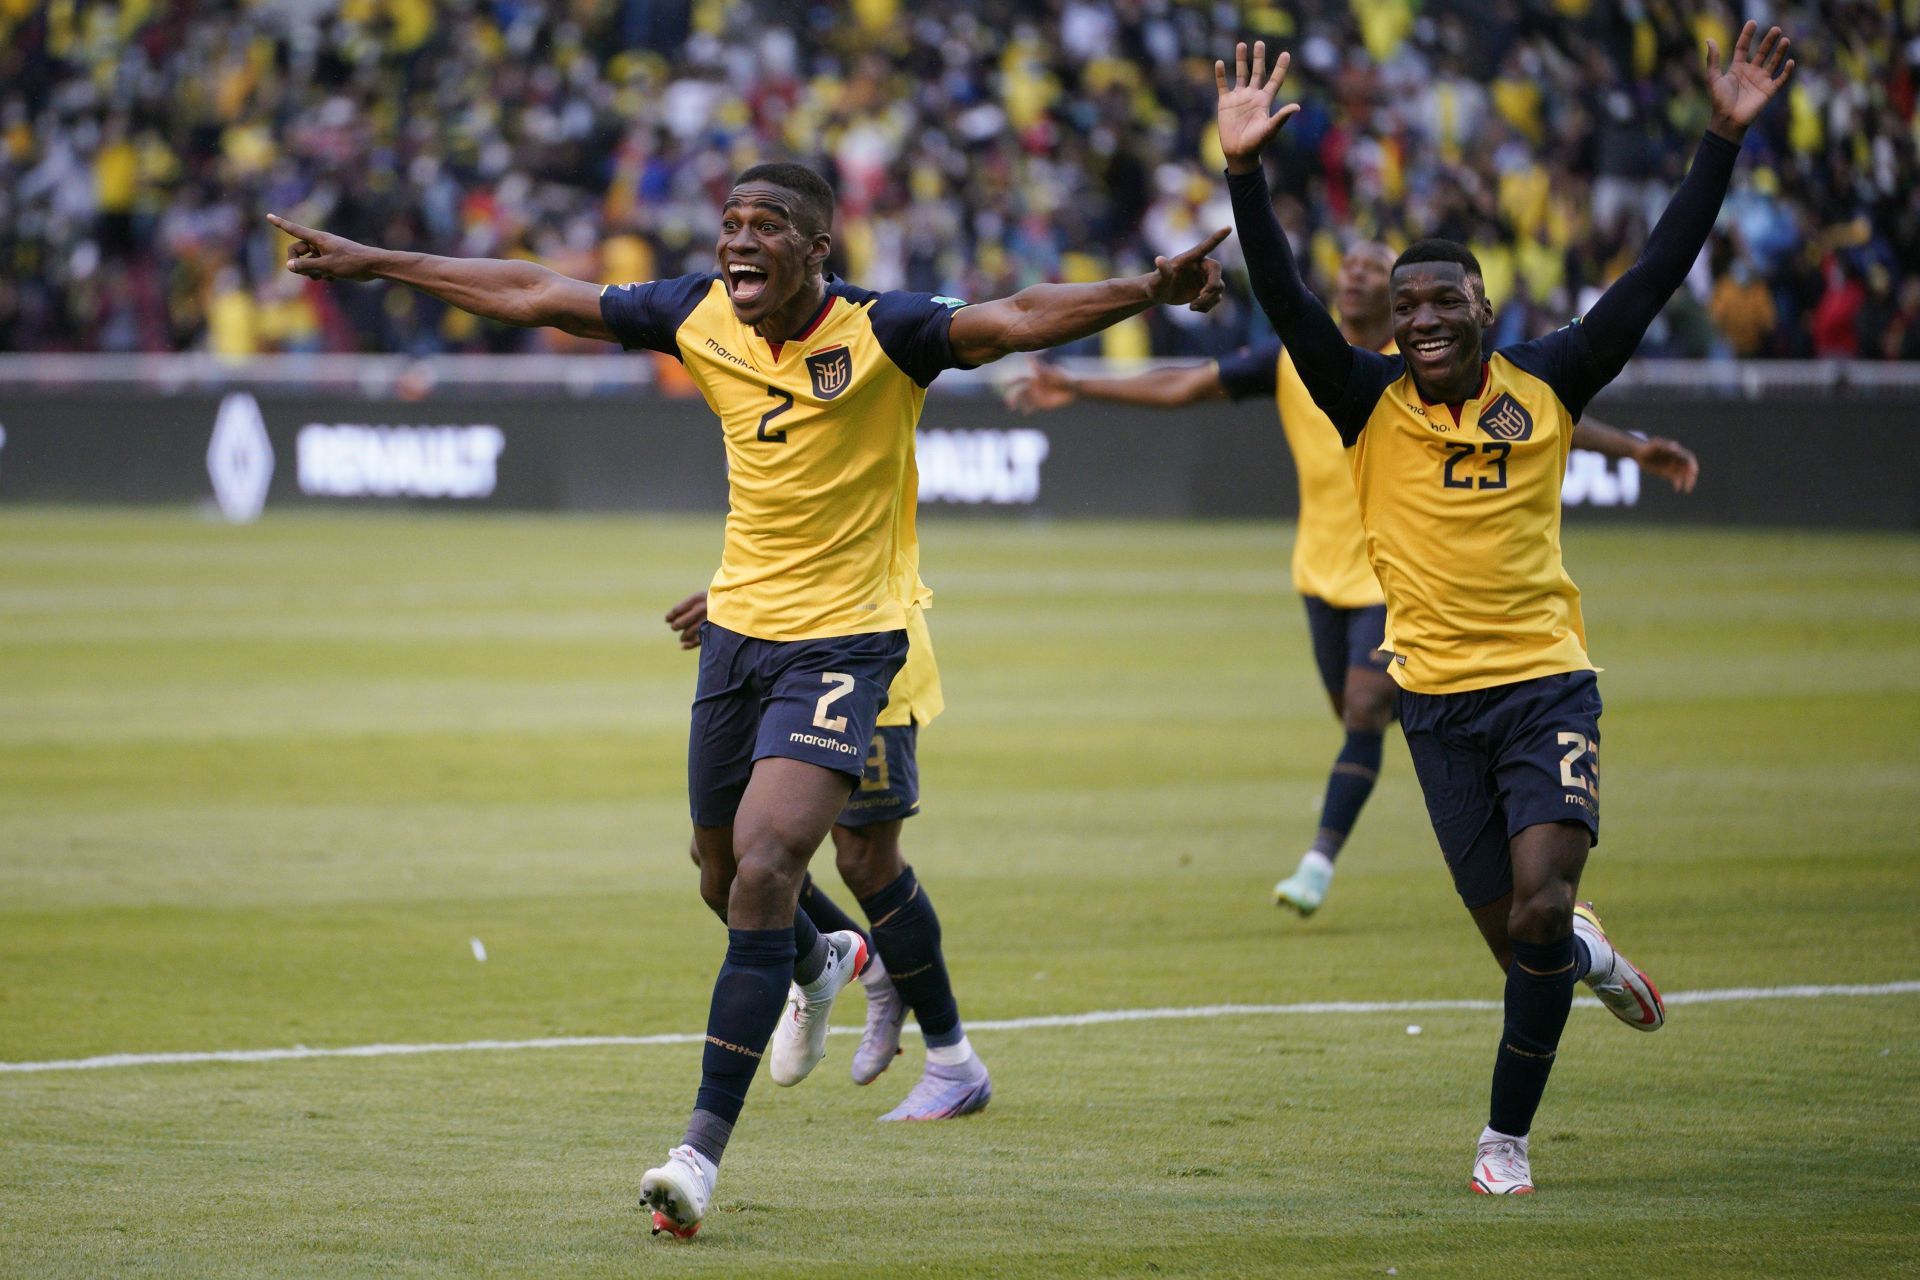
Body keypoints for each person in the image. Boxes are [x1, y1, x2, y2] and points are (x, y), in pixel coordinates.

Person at [267, 163, 1228, 1238]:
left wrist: (1149, 289)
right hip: (735, 638)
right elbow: (535, 291)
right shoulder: (698, 312)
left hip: (848, 646)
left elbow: (1017, 317)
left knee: (773, 864)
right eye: (730, 221)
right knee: (718, 876)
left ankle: (696, 1157)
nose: (740, 239)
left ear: (818, 248)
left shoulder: (885, 332)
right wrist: (373, 261)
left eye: (767, 224)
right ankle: (827, 958)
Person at [1213, 25, 1790, 1194]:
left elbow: (1654, 274)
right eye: (1407, 305)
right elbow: (1280, 293)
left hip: (1544, 684)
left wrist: (1721, 140)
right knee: (1518, 940)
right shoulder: (1364, 397)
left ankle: (1502, 1139)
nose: (1421, 318)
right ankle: (1582, 952)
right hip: (1433, 704)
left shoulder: (1550, 377)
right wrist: (1242, 173)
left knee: (1539, 896)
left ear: (1485, 306)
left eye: (1445, 301)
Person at [1004, 257, 1700, 919]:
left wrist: (1633, 446)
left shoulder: (1422, 380)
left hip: (1396, 583)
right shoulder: (1303, 367)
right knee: (1357, 720)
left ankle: (1322, 859)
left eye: (1373, 269)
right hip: (1318, 574)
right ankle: (1502, 808)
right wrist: (1079, 385)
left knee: (1368, 706)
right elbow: (1186, 384)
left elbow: (1535, 416)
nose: (1356, 277)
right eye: (1351, 269)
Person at [664, 586, 978, 1124]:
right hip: (780, 645)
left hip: (862, 647)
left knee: (865, 860)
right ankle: (867, 972)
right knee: (732, 855)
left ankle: (954, 1063)